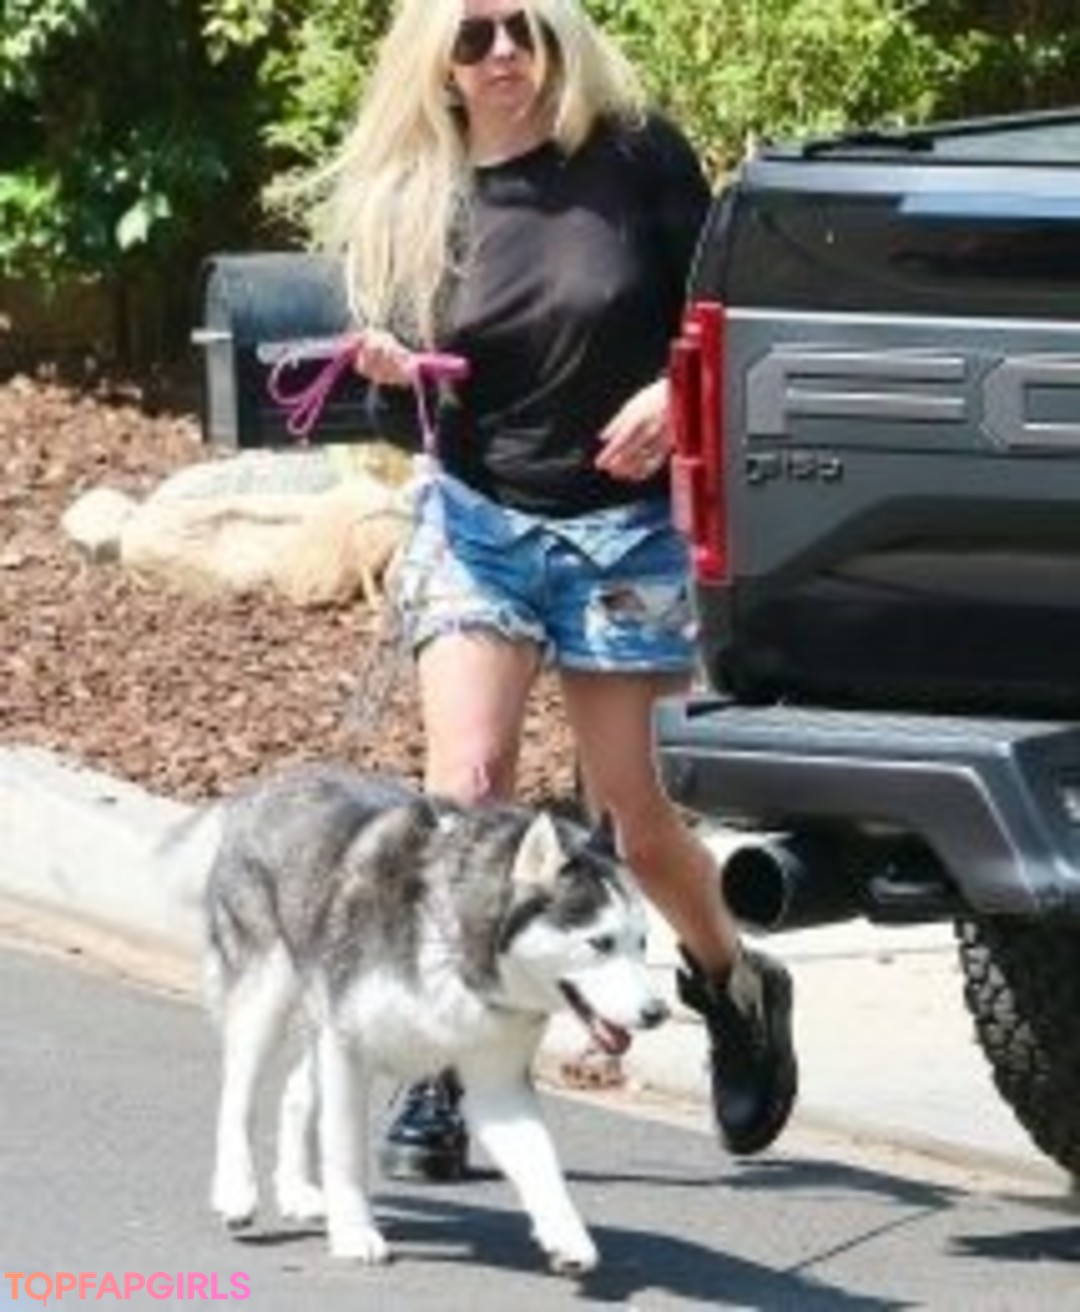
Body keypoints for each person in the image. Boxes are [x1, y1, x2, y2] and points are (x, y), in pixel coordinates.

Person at [316, 0, 798, 1181]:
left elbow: (720, 319)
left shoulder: (636, 158)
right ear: (435, 59)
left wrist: (671, 396)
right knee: (468, 788)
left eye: (523, 28)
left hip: (624, 534)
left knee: (634, 819)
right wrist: (392, 376)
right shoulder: (411, 196)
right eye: (473, 35)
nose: (503, 55)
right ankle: (448, 1065)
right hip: (481, 522)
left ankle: (735, 983)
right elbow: (405, 413)